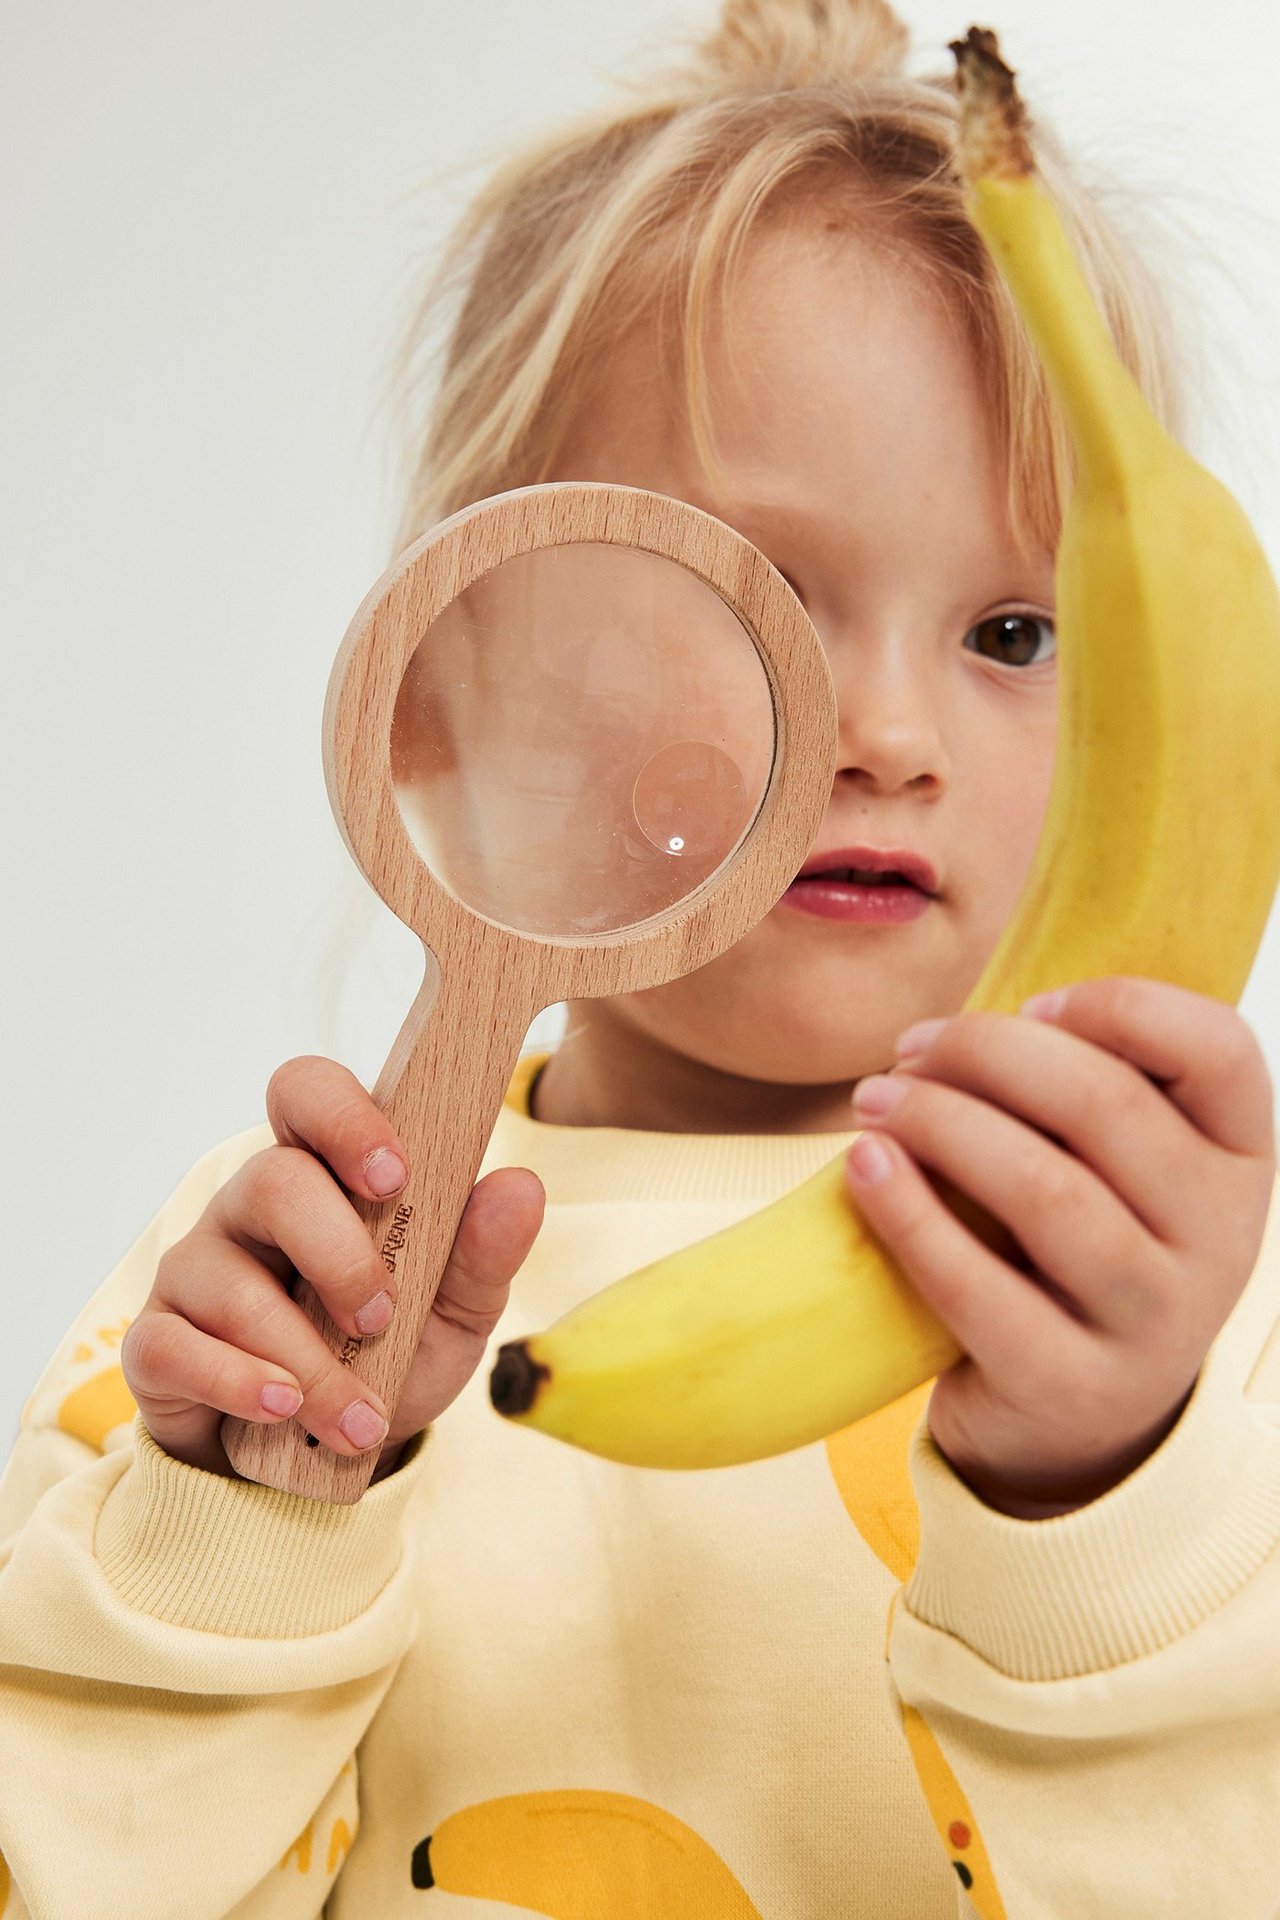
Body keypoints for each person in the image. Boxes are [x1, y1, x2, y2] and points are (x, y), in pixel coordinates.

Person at [2, 1, 1278, 1914]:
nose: (890, 734)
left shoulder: (1202, 1325)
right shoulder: (265, 1295)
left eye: (1015, 632)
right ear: (436, 695)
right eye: (747, 601)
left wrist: (1096, 1507)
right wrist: (236, 1534)